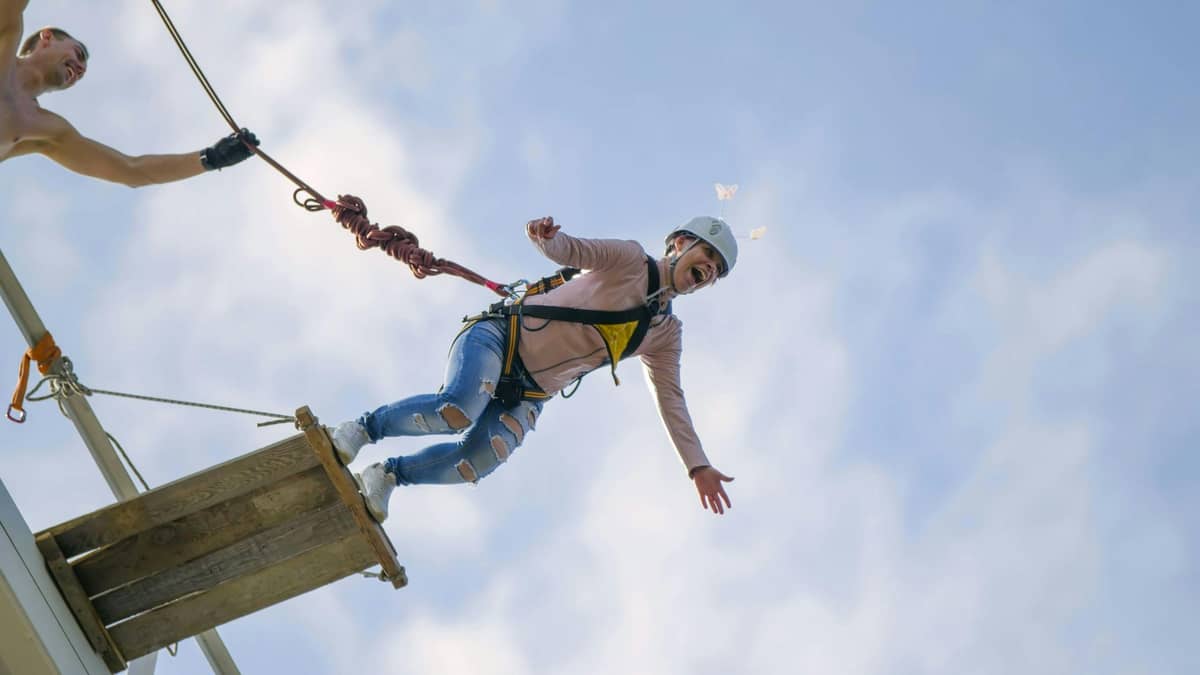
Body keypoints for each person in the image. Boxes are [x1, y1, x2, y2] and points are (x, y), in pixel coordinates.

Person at [328, 215, 738, 522]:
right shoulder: (630, 259)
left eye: (717, 273)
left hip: (529, 392)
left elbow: (671, 400)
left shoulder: (664, 332)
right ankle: (362, 429)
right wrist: (547, 238)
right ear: (681, 243)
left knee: (480, 459)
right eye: (708, 257)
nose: (710, 272)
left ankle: (387, 476)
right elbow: (575, 251)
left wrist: (697, 464)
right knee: (458, 408)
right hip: (501, 338)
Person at [1, 5, 259, 186]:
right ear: (46, 37)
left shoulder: (46, 129)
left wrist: (212, 158)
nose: (79, 69)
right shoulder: (6, 35)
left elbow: (131, 170)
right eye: (78, 54)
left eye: (82, 73)